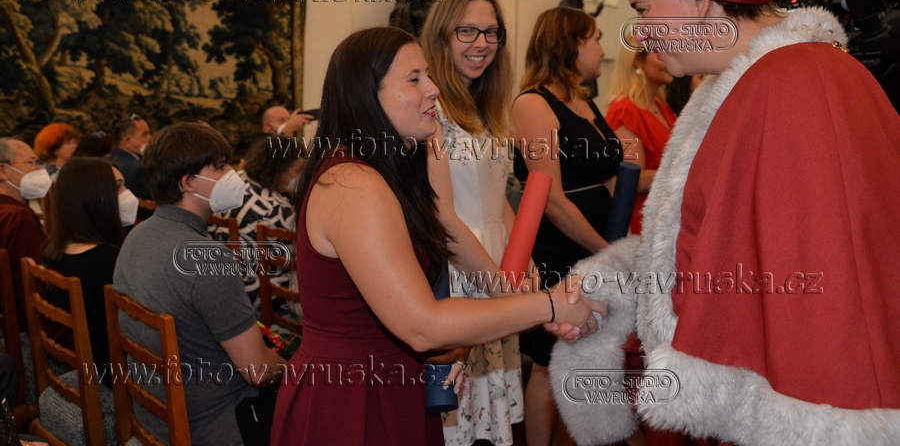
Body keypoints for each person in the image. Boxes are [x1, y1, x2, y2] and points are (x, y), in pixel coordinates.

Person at [550, 0, 900, 445]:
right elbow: (714, 242)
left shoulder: (797, 84)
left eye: (643, 9)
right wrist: (608, 289)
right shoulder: (743, 83)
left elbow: (826, 294)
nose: (638, 32)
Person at [270, 26, 604, 446]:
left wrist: (517, 305)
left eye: (428, 75)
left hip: (394, 381)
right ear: (366, 95)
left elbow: (441, 239)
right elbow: (422, 325)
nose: (433, 89)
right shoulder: (353, 183)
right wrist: (549, 305)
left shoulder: (389, 172)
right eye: (414, 79)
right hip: (351, 399)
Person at [113, 122, 285, 446]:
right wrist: (293, 366)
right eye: (220, 167)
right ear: (188, 182)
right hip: (217, 425)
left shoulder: (136, 236)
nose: (233, 174)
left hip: (155, 414)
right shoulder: (208, 258)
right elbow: (259, 371)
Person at [511, 7, 623, 446]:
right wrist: (605, 249)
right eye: (595, 38)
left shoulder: (585, 101)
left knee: (594, 351)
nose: (602, 48)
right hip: (562, 246)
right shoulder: (533, 104)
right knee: (549, 359)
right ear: (570, 44)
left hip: (599, 243)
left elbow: (610, 175)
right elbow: (552, 198)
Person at [420, 0, 523, 445]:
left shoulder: (485, 109)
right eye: (467, 31)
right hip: (460, 271)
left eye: (491, 32)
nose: (482, 43)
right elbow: (441, 215)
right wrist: (499, 287)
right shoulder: (431, 110)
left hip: (498, 267)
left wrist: (524, 262)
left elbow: (497, 197)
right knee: (455, 425)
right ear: (442, 35)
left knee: (488, 425)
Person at [43, 157, 135, 386]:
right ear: (95, 198)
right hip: (115, 375)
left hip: (87, 362)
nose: (128, 194)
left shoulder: (54, 249)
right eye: (117, 187)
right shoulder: (108, 260)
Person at [209, 134, 301, 313]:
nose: (299, 177)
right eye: (297, 171)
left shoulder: (232, 181)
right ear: (279, 170)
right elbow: (298, 259)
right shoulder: (277, 210)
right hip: (260, 293)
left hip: (223, 281)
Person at [605, 45, 676, 235]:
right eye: (659, 51)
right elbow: (633, 178)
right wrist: (684, 174)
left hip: (664, 216)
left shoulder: (661, 107)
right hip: (642, 220)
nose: (669, 56)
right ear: (637, 60)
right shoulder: (626, 111)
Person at [0, 138, 49, 330]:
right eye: (31, 162)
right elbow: (33, 285)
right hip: (27, 327)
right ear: (2, 170)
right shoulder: (18, 217)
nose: (40, 169)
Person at [108, 116, 152, 200]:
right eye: (145, 134)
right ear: (128, 140)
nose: (150, 138)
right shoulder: (140, 168)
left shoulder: (104, 164)